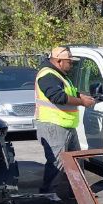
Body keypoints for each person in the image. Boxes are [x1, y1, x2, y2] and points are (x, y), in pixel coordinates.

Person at [34, 46, 95, 194]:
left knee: (76, 160)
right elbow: (57, 96)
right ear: (59, 61)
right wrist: (82, 102)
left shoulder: (59, 74)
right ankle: (48, 193)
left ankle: (78, 192)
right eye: (70, 62)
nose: (72, 64)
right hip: (53, 124)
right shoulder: (47, 75)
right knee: (58, 161)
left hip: (65, 124)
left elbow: (68, 92)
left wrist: (80, 96)